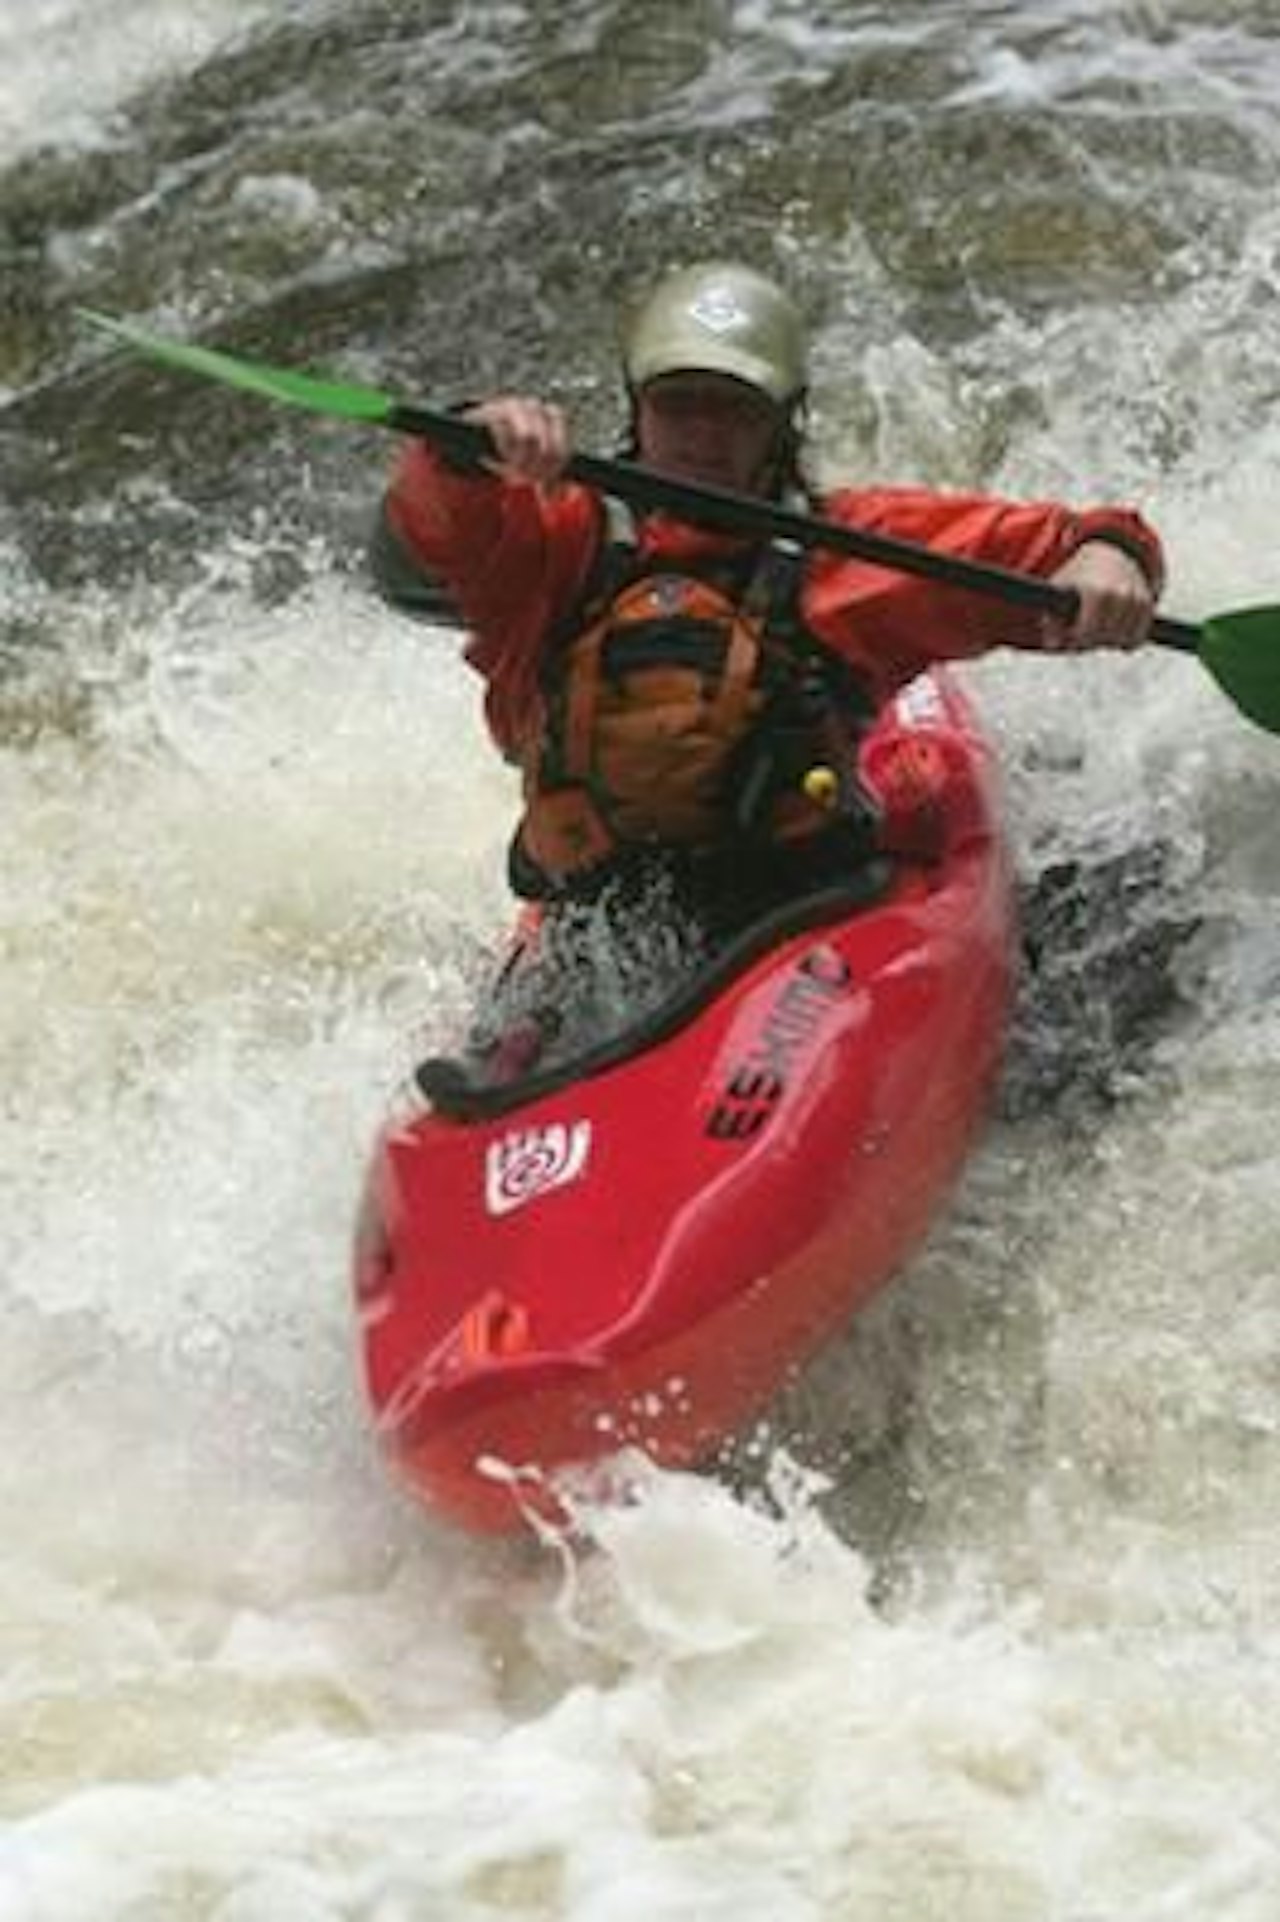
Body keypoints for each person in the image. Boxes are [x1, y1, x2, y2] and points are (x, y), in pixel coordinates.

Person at [371, 261, 1163, 1071]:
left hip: (791, 920)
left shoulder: (845, 554)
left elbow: (1064, 542)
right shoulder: (549, 547)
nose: (704, 433)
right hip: (589, 927)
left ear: (780, 427)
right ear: (637, 410)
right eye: (680, 403)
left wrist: (1110, 558)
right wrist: (469, 441)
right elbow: (429, 526)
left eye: (735, 410)